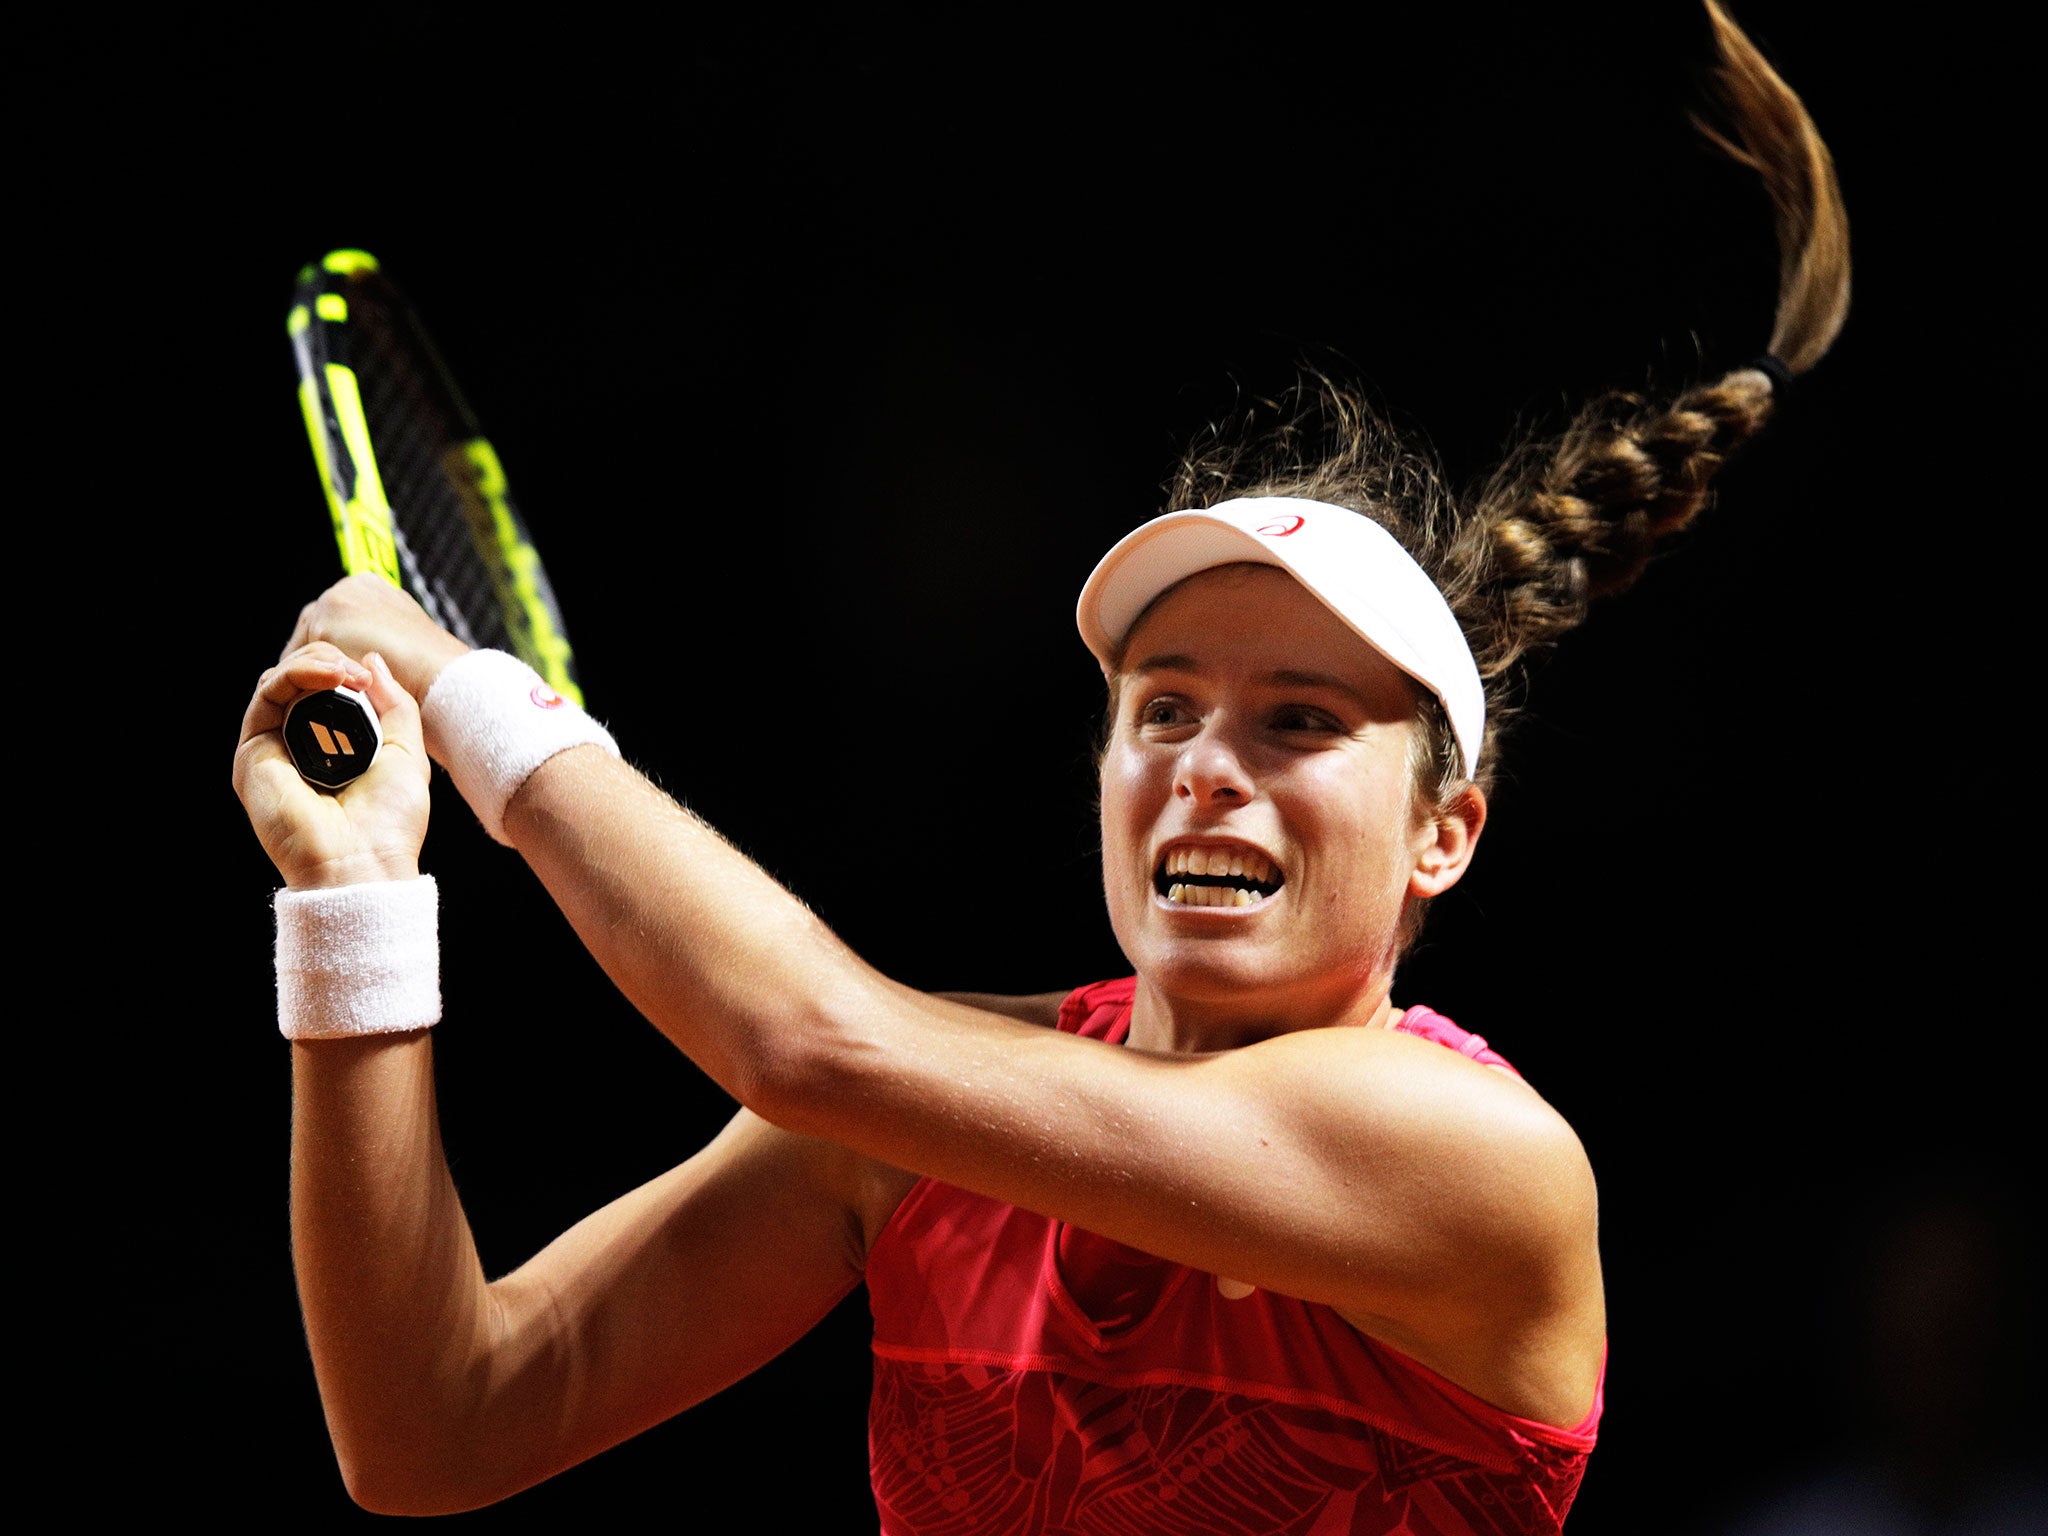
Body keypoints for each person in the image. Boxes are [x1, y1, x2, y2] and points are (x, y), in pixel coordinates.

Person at [231, 6, 1847, 1530]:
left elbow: (806, 1039)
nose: (1210, 764)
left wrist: (496, 712)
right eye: (1164, 709)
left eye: (1299, 722)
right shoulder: (904, 1123)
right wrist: (356, 909)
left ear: (1446, 837)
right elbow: (435, 1426)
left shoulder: (1477, 1165)